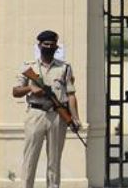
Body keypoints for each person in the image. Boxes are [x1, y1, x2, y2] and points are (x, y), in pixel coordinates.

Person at [12, 30, 80, 188]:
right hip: (36, 114)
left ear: (56, 47)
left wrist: (75, 118)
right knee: (30, 158)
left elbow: (71, 94)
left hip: (57, 116)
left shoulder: (64, 68)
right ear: (39, 46)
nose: (49, 47)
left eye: (52, 45)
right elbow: (15, 92)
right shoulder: (29, 67)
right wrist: (30, 88)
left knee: (54, 161)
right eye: (46, 45)